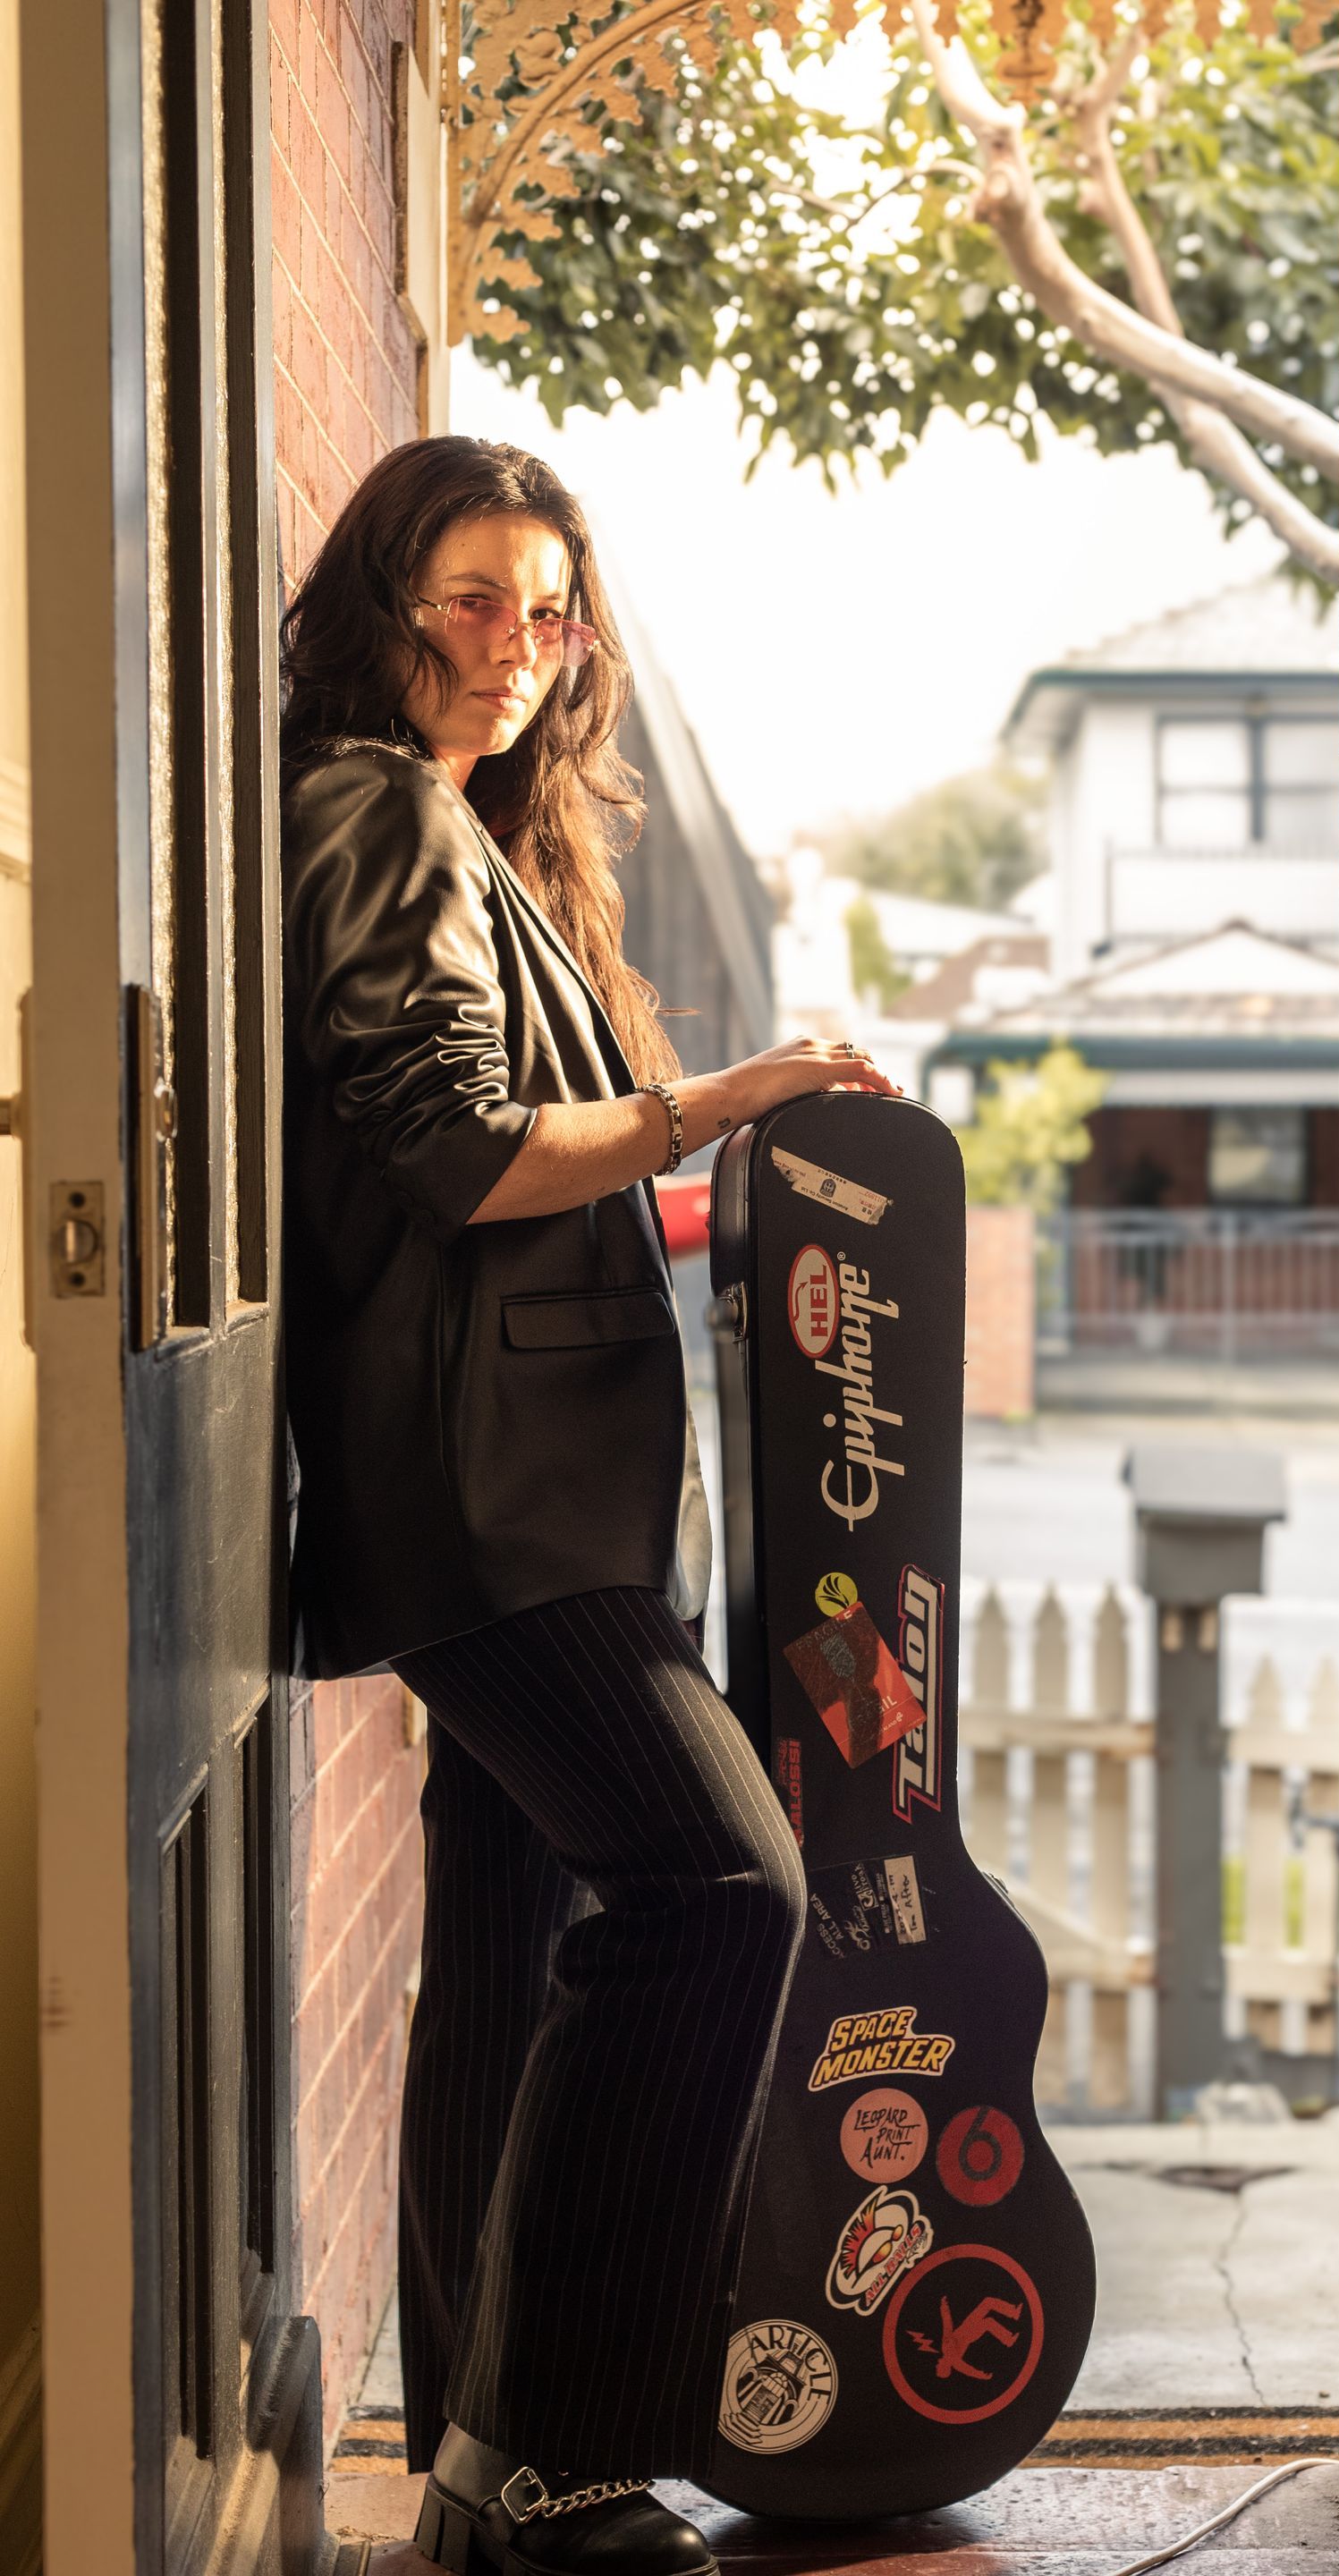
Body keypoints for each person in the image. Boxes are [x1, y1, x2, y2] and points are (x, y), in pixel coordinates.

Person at [279, 435, 897, 2575]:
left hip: (511, 1479)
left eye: (550, 607)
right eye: (470, 594)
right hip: (489, 1500)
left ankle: (476, 2452)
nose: (517, 644)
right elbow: (455, 1146)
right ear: (380, 602)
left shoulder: (464, 832)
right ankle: (560, 2460)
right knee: (723, 1891)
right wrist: (718, 1099)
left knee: (509, 1931)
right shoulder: (372, 803)